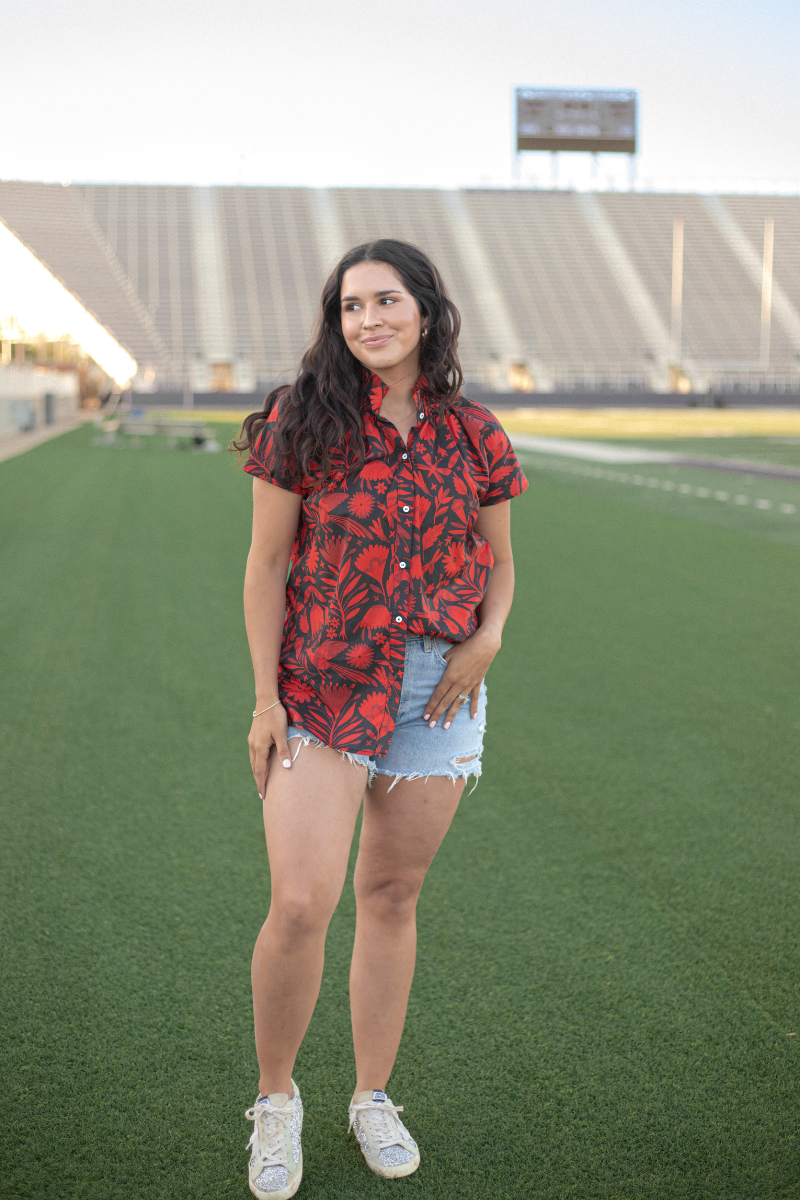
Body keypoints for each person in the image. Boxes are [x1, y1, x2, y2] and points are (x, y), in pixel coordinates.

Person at [234, 238, 528, 1199]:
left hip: (437, 692)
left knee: (392, 896)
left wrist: (488, 639)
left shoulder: (475, 431)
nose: (368, 320)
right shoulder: (301, 419)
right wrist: (267, 698)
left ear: (428, 310)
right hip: (323, 685)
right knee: (300, 903)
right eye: (352, 306)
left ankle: (370, 1095)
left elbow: (501, 561)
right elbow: (267, 565)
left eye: (386, 301)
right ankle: (277, 1102)